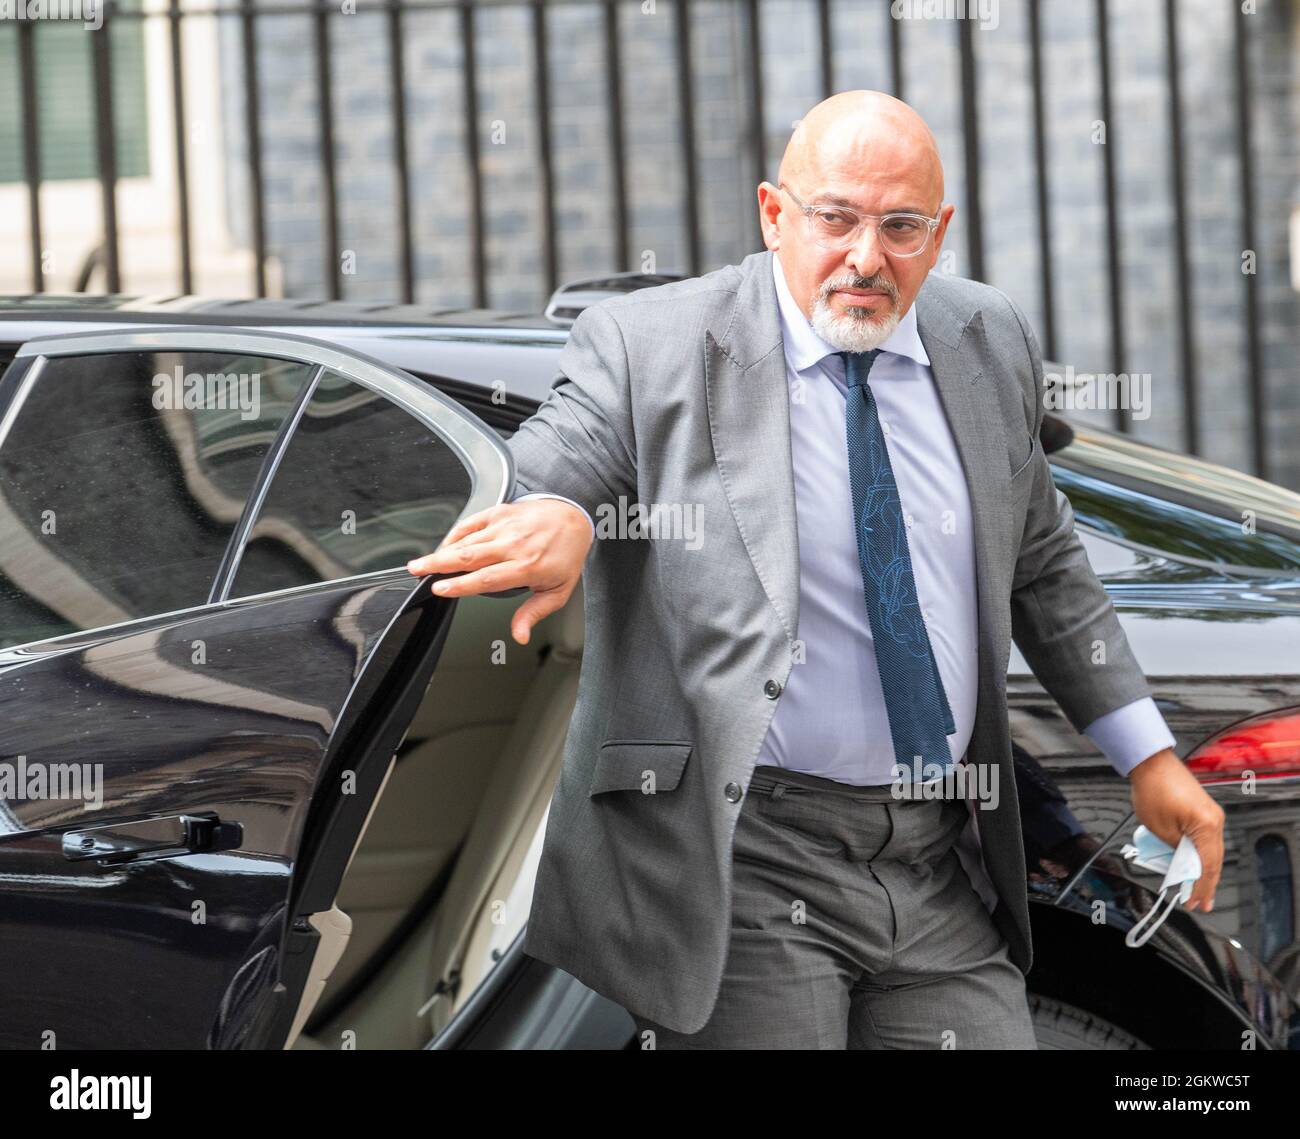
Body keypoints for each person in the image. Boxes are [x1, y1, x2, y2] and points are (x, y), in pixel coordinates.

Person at [407, 90, 1224, 1049]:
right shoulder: (659, 344)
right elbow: (553, 465)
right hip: (748, 852)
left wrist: (1148, 752)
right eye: (835, 218)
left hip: (934, 855)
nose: (866, 257)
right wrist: (556, 514)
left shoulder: (984, 338)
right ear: (774, 214)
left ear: (940, 230)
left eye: (901, 226)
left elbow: (1041, 556)